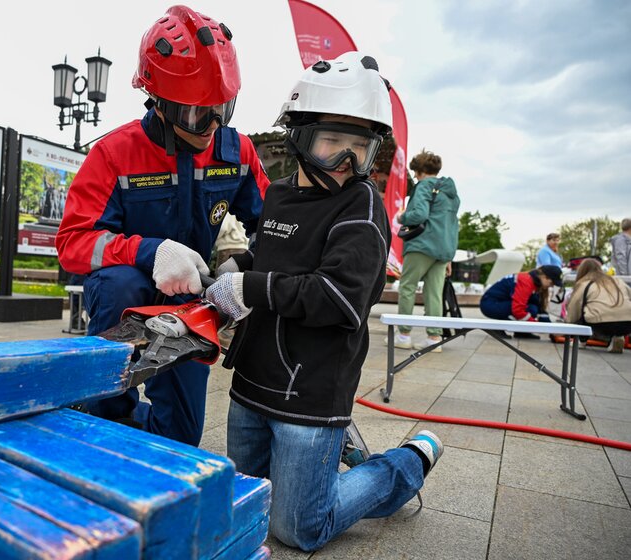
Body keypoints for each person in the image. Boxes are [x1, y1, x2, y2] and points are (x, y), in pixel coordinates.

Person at [205, 52, 443, 552]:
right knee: (250, 504)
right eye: (332, 141)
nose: (346, 161)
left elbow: (340, 297)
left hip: (310, 394)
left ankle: (406, 462)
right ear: (299, 137)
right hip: (252, 381)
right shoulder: (279, 197)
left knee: (298, 529)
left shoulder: (362, 206)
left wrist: (251, 288)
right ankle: (327, 463)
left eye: (360, 147)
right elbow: (277, 259)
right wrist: (239, 267)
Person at [55, 5, 269, 446]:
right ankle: (104, 413)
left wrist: (243, 268)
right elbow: (73, 244)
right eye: (196, 114)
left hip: (190, 299)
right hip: (127, 296)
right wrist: (149, 252)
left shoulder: (238, 152)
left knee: (182, 437)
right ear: (159, 102)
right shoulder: (114, 154)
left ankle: (138, 434)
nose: (211, 127)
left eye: (221, 109)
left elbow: (272, 223)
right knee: (118, 287)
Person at [390, 150, 460, 352]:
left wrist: (402, 217)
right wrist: (449, 257)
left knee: (407, 287)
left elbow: (419, 214)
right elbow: (451, 224)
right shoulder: (451, 193)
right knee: (434, 293)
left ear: (419, 171)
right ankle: (433, 338)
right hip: (444, 248)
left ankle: (403, 335)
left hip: (422, 245)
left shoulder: (423, 186)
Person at [479, 265, 563, 339]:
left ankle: (522, 332)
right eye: (552, 282)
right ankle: (498, 328)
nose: (551, 286)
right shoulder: (526, 281)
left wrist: (551, 329)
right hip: (490, 305)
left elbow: (540, 309)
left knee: (533, 307)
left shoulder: (534, 281)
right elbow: (518, 310)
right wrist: (535, 325)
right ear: (544, 277)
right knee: (531, 309)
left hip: (495, 303)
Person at [566, 258, 631, 353]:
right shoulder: (617, 281)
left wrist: (569, 324)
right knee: (614, 320)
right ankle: (617, 336)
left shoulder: (584, 283)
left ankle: (582, 340)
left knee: (584, 312)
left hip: (600, 323)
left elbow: (574, 308)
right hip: (627, 322)